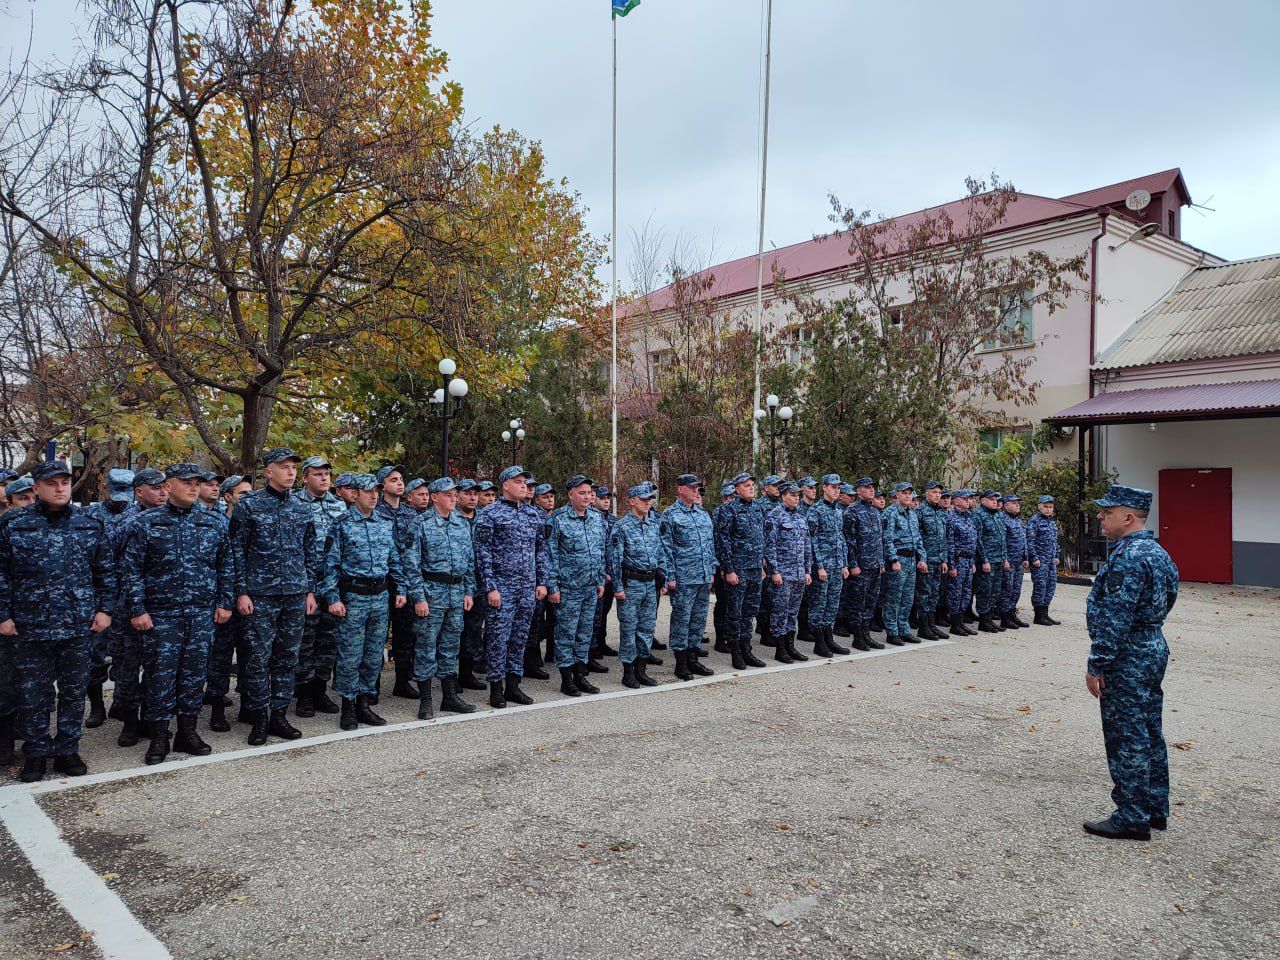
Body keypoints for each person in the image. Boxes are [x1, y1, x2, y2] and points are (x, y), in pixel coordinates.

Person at [0, 461, 115, 782]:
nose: (61, 488)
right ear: (36, 488)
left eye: (65, 482)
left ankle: (67, 749)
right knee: (33, 693)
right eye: (53, 483)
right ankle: (35, 753)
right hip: (29, 625)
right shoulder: (14, 523)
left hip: (78, 625)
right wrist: (3, 615)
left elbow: (104, 570)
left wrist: (105, 609)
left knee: (73, 691)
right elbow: (2, 572)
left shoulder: (89, 522)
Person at [1083, 484, 1179, 842]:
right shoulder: (1157, 553)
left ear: (1127, 518)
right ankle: (1154, 807)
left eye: (1107, 512)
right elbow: (1167, 599)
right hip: (1152, 645)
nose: (1100, 516)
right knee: (1149, 729)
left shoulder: (1129, 557)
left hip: (1128, 654)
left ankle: (1132, 816)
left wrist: (1098, 664)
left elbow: (1116, 618)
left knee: (1127, 734)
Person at [121, 464, 233, 764]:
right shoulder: (146, 522)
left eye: (198, 482)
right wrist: (137, 608)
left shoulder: (214, 522)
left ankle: (188, 731)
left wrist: (225, 602)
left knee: (194, 676)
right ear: (168, 486)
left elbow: (225, 564)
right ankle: (159, 737)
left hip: (201, 613)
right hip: (161, 614)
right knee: (160, 676)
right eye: (187, 482)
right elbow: (131, 569)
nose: (194, 487)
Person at [229, 448, 318, 745]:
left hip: (294, 593)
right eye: (284, 467)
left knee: (287, 657)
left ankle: (279, 714)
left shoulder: (303, 508)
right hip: (260, 595)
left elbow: (310, 551)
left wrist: (309, 589)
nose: (291, 472)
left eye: (294, 467)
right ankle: (259, 717)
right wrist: (241, 591)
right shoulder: (250, 505)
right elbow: (236, 551)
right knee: (257, 658)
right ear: (268, 472)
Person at [322, 474, 408, 730]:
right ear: (355, 494)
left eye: (376, 491)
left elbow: (394, 559)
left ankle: (364, 703)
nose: (374, 496)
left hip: (380, 597)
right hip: (353, 597)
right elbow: (330, 565)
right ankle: (348, 707)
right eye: (368, 491)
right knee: (350, 655)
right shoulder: (342, 524)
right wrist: (333, 597)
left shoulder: (383, 522)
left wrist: (401, 588)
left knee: (373, 656)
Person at [472, 465, 548, 709]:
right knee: (497, 638)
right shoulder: (490, 514)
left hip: (527, 588)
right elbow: (481, 552)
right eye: (517, 481)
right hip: (502, 588)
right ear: (505, 485)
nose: (523, 485)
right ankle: (496, 687)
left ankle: (514, 685)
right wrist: (490, 587)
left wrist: (542, 581)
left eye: (525, 481)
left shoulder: (532, 514)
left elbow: (540, 550)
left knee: (520, 638)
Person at [107, 468, 169, 748]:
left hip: (159, 605)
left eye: (164, 487)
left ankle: (151, 719)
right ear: (139, 491)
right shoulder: (127, 520)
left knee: (158, 668)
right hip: (128, 607)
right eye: (156, 488)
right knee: (127, 669)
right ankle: (130, 723)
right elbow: (111, 556)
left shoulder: (170, 518)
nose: (163, 493)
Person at [406, 477, 478, 718]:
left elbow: (469, 561)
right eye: (448, 495)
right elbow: (412, 563)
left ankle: (449, 697)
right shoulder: (421, 523)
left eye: (454, 494)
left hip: (456, 593)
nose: (453, 498)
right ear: (434, 497)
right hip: (431, 592)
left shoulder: (461, 523)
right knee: (426, 646)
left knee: (450, 646)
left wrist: (469, 590)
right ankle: (425, 700)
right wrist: (418, 597)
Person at [81, 468, 135, 729]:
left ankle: (124, 705)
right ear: (105, 489)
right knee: (94, 656)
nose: (121, 500)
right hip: (99, 596)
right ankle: (97, 706)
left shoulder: (137, 515)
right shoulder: (89, 516)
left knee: (126, 656)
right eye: (117, 493)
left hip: (127, 597)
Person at [545, 475, 608, 696]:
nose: (587, 497)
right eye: (582, 493)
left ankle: (580, 675)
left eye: (589, 493)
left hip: (590, 587)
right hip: (568, 588)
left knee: (585, 633)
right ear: (570, 494)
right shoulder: (558, 519)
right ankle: (566, 679)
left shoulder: (596, 518)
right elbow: (550, 556)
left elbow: (600, 551)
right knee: (566, 634)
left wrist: (600, 580)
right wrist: (553, 587)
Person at [295, 456, 347, 718]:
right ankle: (303, 693)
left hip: (333, 586)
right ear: (304, 477)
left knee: (329, 640)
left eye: (327, 473)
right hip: (307, 585)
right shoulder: (295, 505)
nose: (324, 478)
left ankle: (319, 690)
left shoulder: (339, 507)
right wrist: (307, 590)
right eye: (317, 474)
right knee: (306, 641)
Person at [659, 474, 718, 680]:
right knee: (681, 620)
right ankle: (681, 663)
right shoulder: (670, 515)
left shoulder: (702, 513)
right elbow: (666, 549)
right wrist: (671, 576)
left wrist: (711, 570)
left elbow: (710, 546)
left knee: (698, 620)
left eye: (697, 488)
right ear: (680, 489)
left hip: (702, 577)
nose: (696, 491)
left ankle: (693, 659)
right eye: (692, 488)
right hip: (683, 578)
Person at [205, 475, 251, 731]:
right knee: (220, 658)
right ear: (228, 497)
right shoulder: (215, 522)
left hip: (249, 599)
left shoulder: (253, 521)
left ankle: (247, 705)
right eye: (242, 494)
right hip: (223, 600)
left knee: (249, 655)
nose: (247, 498)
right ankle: (217, 708)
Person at [610, 482, 664, 689]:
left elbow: (660, 554)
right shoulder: (621, 527)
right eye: (643, 499)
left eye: (650, 499)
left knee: (646, 628)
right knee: (629, 628)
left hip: (650, 583)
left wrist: (663, 578)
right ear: (632, 501)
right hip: (631, 583)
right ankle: (628, 672)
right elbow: (615, 559)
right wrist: (617, 586)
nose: (648, 503)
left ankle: (642, 670)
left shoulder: (653, 525)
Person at [713, 472, 767, 672]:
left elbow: (760, 540)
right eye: (746, 485)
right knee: (734, 613)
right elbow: (723, 542)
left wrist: (761, 566)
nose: (751, 488)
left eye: (752, 484)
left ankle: (747, 649)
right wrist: (729, 569)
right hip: (738, 570)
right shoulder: (728, 510)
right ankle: (735, 652)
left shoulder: (758, 509)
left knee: (750, 612)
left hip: (754, 569)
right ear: (737, 489)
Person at [375, 465, 418, 700]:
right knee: (378, 636)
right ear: (382, 486)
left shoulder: (410, 513)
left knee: (405, 634)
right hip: (382, 581)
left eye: (401, 479)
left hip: (406, 582)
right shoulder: (375, 511)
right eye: (394, 480)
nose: (400, 483)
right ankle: (372, 686)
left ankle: (402, 681)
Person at [764, 481, 813, 663]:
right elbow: (770, 546)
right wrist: (774, 571)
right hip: (783, 574)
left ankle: (791, 646)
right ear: (783, 496)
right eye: (793, 495)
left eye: (798, 495)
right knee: (780, 611)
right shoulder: (774, 516)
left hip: (799, 574)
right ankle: (780, 648)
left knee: (793, 611)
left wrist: (808, 570)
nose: (796, 498)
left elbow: (807, 546)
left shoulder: (801, 517)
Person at [805, 474, 850, 656]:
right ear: (824, 488)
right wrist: (819, 566)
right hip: (823, 566)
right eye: (833, 487)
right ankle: (819, 641)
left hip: (837, 565)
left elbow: (841, 538)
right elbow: (811, 540)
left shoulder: (838, 511)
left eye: (838, 488)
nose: (836, 490)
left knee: (832, 604)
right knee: (819, 604)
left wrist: (844, 564)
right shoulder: (815, 511)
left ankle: (829, 638)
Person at [840, 478, 885, 650]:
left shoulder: (874, 511)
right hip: (861, 566)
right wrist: (853, 564)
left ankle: (866, 634)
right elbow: (848, 540)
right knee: (857, 602)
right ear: (858, 491)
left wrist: (880, 562)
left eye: (872, 487)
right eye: (867, 488)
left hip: (874, 565)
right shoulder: (852, 511)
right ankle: (858, 636)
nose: (871, 490)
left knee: (870, 602)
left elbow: (878, 539)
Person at [881, 482, 927, 646]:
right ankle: (892, 632)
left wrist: (922, 558)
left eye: (910, 493)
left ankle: (904, 629)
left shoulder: (912, 514)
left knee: (907, 597)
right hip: (898, 559)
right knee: (894, 597)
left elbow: (918, 538)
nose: (908, 496)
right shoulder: (890, 513)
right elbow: (887, 539)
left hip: (911, 559)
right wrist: (893, 560)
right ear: (897, 495)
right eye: (904, 493)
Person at [453, 479, 489, 690]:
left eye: (475, 494)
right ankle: (449, 676)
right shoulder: (451, 518)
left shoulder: (485, 518)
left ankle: (466, 674)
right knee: (453, 631)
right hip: (456, 585)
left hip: (480, 584)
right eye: (467, 493)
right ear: (458, 496)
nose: (473, 497)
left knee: (473, 631)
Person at [914, 481, 950, 640]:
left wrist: (944, 560)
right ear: (926, 493)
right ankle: (923, 627)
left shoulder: (942, 513)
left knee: (934, 594)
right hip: (926, 560)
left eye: (939, 493)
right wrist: (922, 559)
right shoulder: (919, 511)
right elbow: (917, 538)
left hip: (938, 560)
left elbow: (943, 539)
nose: (937, 495)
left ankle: (931, 625)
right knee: (924, 594)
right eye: (934, 492)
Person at [972, 489, 1010, 633]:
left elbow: (1002, 539)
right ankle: (983, 620)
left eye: (996, 499)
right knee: (985, 591)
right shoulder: (979, 516)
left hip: (999, 559)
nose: (995, 501)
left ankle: (990, 618)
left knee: (995, 591)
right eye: (991, 499)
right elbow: (978, 540)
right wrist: (984, 560)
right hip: (987, 561)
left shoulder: (998, 515)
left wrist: (1004, 558)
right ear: (982, 500)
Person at [589, 485, 619, 660]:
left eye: (608, 498)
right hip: (598, 574)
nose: (606, 501)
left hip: (610, 573)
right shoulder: (593, 518)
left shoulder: (613, 520)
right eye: (602, 498)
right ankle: (592, 647)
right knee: (594, 613)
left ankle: (601, 642)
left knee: (604, 610)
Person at [945, 490, 978, 637]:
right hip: (958, 560)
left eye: (969, 498)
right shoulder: (950, 518)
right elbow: (950, 543)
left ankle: (961, 622)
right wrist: (951, 565)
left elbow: (973, 542)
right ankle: (955, 624)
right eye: (965, 498)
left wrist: (972, 561)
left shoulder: (968, 517)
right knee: (955, 593)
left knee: (966, 593)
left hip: (968, 560)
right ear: (956, 501)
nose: (968, 501)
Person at [754, 474, 782, 647]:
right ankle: (765, 632)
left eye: (779, 485)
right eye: (774, 485)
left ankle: (773, 629)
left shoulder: (781, 505)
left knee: (777, 597)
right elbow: (759, 533)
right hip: (767, 557)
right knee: (766, 597)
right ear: (765, 488)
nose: (778, 487)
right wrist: (762, 556)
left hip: (780, 556)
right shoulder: (759, 506)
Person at [1027, 495, 1062, 625]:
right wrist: (1034, 558)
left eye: (1050, 507)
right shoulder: (1034, 521)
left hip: (1050, 560)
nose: (1048, 509)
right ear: (1039, 506)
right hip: (1040, 560)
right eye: (1046, 507)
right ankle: (1038, 615)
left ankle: (1045, 612)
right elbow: (1030, 542)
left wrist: (1057, 555)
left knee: (1051, 585)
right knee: (1040, 586)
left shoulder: (1051, 521)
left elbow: (1055, 540)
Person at [709, 482, 735, 654]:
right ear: (725, 498)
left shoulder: (737, 512)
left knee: (733, 603)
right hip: (722, 566)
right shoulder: (720, 513)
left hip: (735, 564)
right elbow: (718, 541)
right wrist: (722, 566)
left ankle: (730, 636)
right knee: (723, 602)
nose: (735, 500)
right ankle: (720, 638)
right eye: (732, 497)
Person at [999, 494, 1031, 630]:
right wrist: (1004, 559)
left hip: (1018, 561)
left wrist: (1025, 558)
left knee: (1016, 589)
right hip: (1009, 560)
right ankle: (1004, 617)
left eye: (1018, 503)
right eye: (1013, 503)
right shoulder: (1002, 519)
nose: (1017, 505)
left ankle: (1012, 614)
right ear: (1005, 505)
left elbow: (1023, 540)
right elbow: (1001, 542)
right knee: (1007, 589)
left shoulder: (1018, 520)